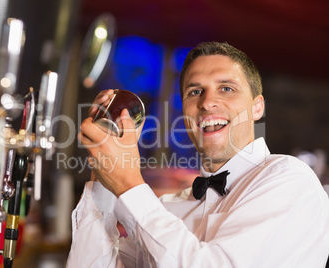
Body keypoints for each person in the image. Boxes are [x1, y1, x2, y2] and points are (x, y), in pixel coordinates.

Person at [67, 42, 329, 267]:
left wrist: (128, 184)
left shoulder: (290, 179)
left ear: (257, 107)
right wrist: (104, 174)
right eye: (195, 92)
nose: (206, 102)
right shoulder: (167, 208)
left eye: (226, 88)